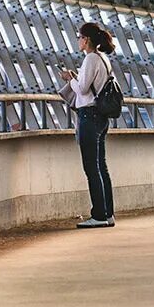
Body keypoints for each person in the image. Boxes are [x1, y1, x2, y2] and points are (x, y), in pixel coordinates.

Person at [59, 21, 117, 228]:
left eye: (79, 37)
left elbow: (82, 89)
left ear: (87, 40)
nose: (78, 41)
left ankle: (99, 215)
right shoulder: (103, 59)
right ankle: (108, 213)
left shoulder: (91, 58)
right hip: (100, 117)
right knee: (101, 166)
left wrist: (69, 78)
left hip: (89, 116)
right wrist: (78, 78)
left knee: (91, 167)